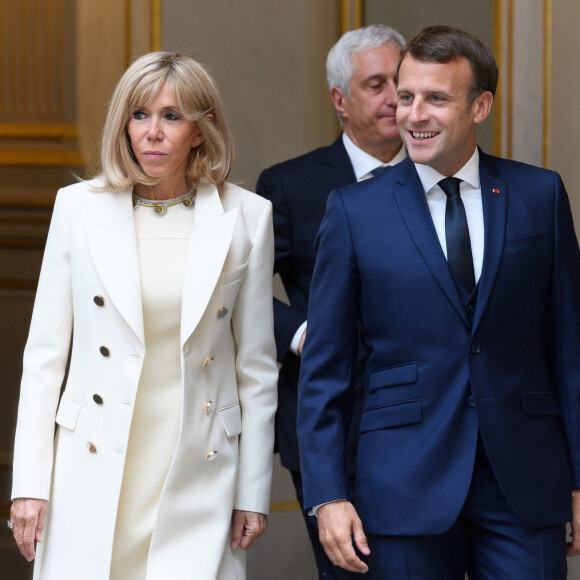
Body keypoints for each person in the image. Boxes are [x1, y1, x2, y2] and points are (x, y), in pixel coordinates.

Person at [298, 24, 580, 578]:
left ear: (480, 106)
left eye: (436, 99)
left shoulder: (539, 196)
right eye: (406, 97)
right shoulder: (354, 212)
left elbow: (569, 348)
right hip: (403, 483)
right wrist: (327, 494)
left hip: (524, 481)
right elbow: (324, 368)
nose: (413, 115)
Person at [9, 52, 278, 580]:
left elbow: (257, 369)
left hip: (198, 466)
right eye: (139, 115)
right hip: (92, 460)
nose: (152, 132)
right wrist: (30, 486)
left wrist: (253, 491)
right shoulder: (77, 209)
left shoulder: (247, 216)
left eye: (172, 117)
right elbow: (43, 360)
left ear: (201, 131)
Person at [256, 24, 405, 578]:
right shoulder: (291, 185)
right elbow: (234, 290)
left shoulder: (444, 178)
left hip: (431, 424)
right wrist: (300, 334)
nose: (396, 97)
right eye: (377, 84)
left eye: (403, 81)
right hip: (331, 425)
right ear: (341, 101)